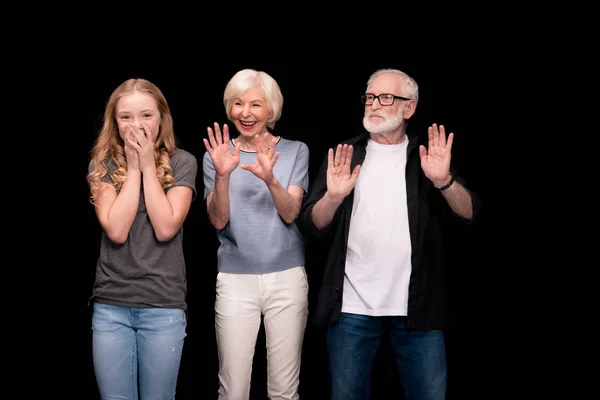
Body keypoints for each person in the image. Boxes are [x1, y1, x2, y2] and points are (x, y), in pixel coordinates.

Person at [296, 68, 481, 400]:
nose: (373, 105)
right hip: (351, 308)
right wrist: (334, 197)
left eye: (385, 98)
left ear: (408, 108)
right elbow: (311, 225)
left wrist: (443, 182)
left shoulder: (427, 156)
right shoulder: (345, 154)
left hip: (417, 309)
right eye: (369, 97)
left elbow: (469, 214)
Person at [86, 78, 198, 400]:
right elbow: (117, 230)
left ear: (161, 118)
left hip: (163, 305)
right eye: (126, 117)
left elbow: (165, 227)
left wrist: (149, 164)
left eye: (146, 115)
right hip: (112, 306)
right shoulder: (102, 164)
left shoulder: (182, 162)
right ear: (114, 121)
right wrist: (133, 169)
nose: (137, 125)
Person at [202, 68, 310, 400]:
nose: (245, 113)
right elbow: (218, 221)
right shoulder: (217, 155)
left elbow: (291, 212)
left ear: (271, 110)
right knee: (232, 390)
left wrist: (270, 178)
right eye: (238, 104)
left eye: (255, 105)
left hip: (287, 278)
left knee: (283, 391)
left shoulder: (295, 151)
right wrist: (222, 175)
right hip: (235, 280)